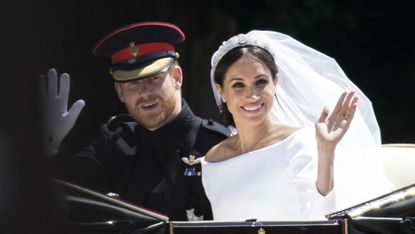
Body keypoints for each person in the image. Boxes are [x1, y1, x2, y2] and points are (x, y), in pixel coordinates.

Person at [41, 22, 230, 221]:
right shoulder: (113, 144)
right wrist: (48, 146)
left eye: (154, 79)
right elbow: (66, 194)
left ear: (176, 77)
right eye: (132, 83)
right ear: (120, 92)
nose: (145, 92)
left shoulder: (217, 144)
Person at [201, 31, 393, 221]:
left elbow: (322, 220)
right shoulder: (213, 161)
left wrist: (326, 151)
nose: (252, 95)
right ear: (221, 91)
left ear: (275, 82)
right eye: (238, 85)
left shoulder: (300, 142)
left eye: (261, 82)